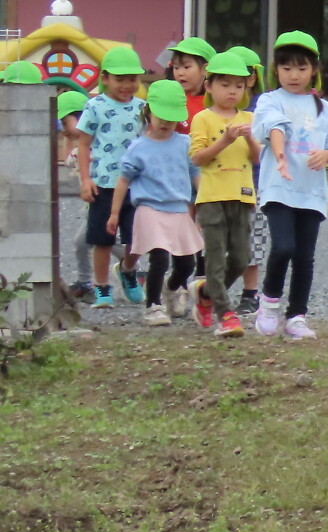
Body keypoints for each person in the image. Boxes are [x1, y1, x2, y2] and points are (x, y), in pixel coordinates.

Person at [251, 32, 328, 339]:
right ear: (275, 69)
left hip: (312, 192)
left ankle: (297, 316)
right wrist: (280, 155)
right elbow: (272, 126)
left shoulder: (324, 108)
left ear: (314, 70)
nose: (294, 75)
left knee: (305, 256)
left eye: (302, 68)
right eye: (287, 67)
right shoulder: (270, 100)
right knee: (283, 247)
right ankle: (268, 304)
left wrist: (327, 155)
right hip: (278, 188)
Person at [108, 80, 204, 328]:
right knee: (159, 258)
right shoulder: (139, 147)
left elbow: (195, 174)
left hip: (179, 208)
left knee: (187, 263)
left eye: (172, 119)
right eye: (161, 117)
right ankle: (153, 305)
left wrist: (205, 201)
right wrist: (115, 213)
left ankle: (171, 289)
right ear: (148, 111)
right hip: (150, 208)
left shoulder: (184, 144)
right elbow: (123, 180)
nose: (166, 123)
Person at [186, 51, 258, 337]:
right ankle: (225, 314)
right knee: (215, 259)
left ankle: (206, 293)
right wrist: (225, 140)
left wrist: (249, 137)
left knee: (241, 258)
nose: (232, 91)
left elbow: (257, 158)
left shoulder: (249, 118)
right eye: (225, 84)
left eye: (238, 85)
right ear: (209, 86)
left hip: (242, 196)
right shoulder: (203, 118)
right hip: (212, 197)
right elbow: (198, 158)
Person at [77, 46, 147, 308]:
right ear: (105, 78)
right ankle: (101, 287)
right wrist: (85, 179)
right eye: (120, 79)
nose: (127, 85)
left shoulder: (143, 108)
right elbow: (83, 144)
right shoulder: (95, 106)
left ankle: (128, 270)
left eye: (132, 79)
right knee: (102, 240)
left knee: (136, 238)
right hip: (104, 184)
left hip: (135, 185)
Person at [226, 45, 268, 315]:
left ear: (252, 79)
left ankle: (250, 292)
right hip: (221, 182)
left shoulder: (262, 109)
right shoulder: (217, 110)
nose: (231, 88)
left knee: (254, 239)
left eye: (238, 80)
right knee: (219, 239)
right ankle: (211, 289)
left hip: (255, 184)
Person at [55, 90, 94, 302]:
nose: (63, 129)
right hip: (91, 205)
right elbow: (68, 160)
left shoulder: (97, 145)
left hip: (101, 200)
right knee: (83, 242)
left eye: (65, 122)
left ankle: (134, 269)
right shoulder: (78, 149)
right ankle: (85, 282)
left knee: (100, 240)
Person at [165, 36, 216, 133]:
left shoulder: (215, 103)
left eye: (186, 67)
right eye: (176, 67)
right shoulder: (169, 98)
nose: (180, 73)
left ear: (205, 69)